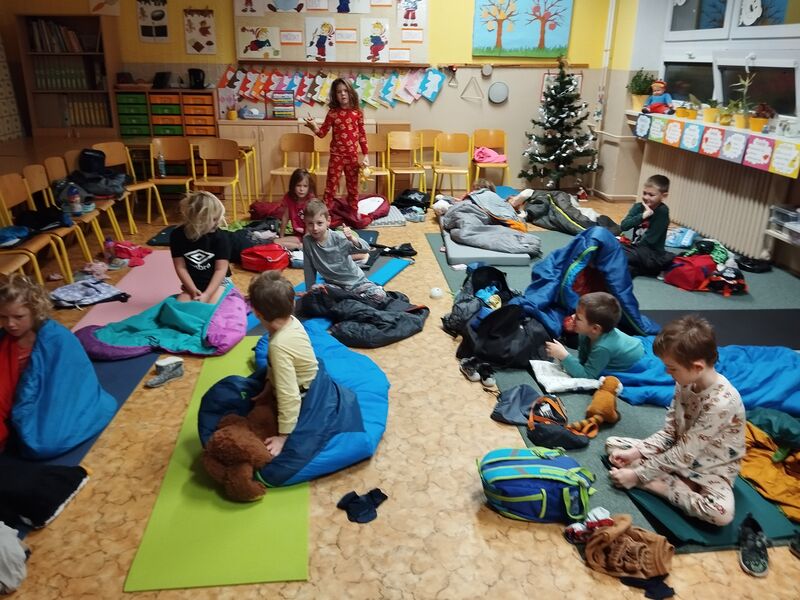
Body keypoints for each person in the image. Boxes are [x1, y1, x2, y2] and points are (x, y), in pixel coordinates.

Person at [606, 315, 745, 526]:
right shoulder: (684, 381)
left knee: (720, 514)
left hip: (711, 468)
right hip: (679, 451)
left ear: (697, 367)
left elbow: (684, 453)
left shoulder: (722, 403)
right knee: (614, 446)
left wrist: (639, 476)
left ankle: (661, 485)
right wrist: (636, 452)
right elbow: (670, 432)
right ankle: (674, 479)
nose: (667, 372)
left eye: (672, 368)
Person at [0, 273, 116, 456]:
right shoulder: (5, 340)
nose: (10, 324)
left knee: (45, 442)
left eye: (18, 317)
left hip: (50, 396)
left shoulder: (57, 338)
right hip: (18, 397)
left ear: (35, 311)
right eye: (3, 317)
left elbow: (71, 380)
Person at [248, 271, 318, 458]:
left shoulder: (279, 346)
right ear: (293, 304)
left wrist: (284, 436)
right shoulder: (292, 320)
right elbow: (273, 366)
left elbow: (289, 394)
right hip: (305, 377)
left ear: (256, 313)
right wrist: (268, 388)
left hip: (306, 394)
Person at [302, 199, 386, 305]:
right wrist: (309, 292)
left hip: (357, 283)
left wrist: (352, 239)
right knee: (317, 293)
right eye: (310, 224)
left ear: (328, 221)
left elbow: (366, 248)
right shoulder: (307, 241)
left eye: (319, 223)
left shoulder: (339, 238)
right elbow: (309, 268)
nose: (315, 228)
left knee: (379, 295)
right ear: (305, 222)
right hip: (334, 287)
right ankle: (351, 300)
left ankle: (352, 299)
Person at [303, 78, 369, 210]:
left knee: (353, 187)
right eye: (339, 92)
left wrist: (366, 155)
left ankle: (353, 211)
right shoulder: (333, 113)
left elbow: (362, 135)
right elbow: (322, 133)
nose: (343, 94)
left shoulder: (357, 113)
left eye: (345, 91)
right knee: (330, 187)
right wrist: (313, 127)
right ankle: (325, 213)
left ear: (351, 92)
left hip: (352, 157)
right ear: (335, 95)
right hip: (336, 156)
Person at [544, 292, 644, 379]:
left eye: (578, 318)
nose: (573, 317)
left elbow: (588, 376)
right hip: (627, 344)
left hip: (636, 360)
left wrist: (563, 355)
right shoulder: (585, 334)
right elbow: (583, 362)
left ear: (595, 329)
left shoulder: (603, 347)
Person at [170, 191, 232, 304]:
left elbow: (220, 269)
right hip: (194, 283)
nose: (217, 222)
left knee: (211, 308)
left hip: (219, 282)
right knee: (180, 307)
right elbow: (180, 267)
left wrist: (207, 294)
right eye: (214, 219)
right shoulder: (177, 235)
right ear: (198, 220)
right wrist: (192, 290)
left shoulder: (221, 237)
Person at [619, 174, 673, 278]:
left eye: (651, 195)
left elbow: (649, 241)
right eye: (644, 193)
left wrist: (630, 249)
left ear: (663, 196)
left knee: (618, 253)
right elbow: (624, 226)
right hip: (636, 250)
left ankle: (650, 268)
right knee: (613, 250)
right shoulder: (638, 207)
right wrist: (643, 216)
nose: (646, 197)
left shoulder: (662, 212)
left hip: (652, 254)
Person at [276, 168, 317, 251]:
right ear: (293, 186)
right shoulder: (289, 197)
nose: (301, 189)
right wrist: (281, 236)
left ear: (309, 187)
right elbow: (285, 218)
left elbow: (311, 222)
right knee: (276, 242)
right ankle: (300, 247)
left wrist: (307, 240)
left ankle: (305, 246)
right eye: (298, 185)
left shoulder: (311, 200)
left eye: (305, 186)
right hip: (299, 236)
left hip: (311, 236)